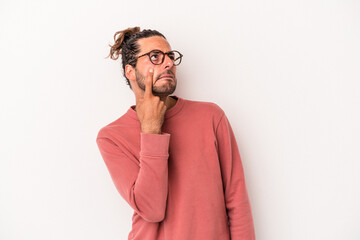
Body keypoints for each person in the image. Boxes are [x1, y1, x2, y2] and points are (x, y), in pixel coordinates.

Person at [96, 26, 256, 240]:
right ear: (130, 71)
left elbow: (237, 200)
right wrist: (151, 130)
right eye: (155, 57)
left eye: (170, 56)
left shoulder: (210, 116)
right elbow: (152, 210)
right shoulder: (112, 137)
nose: (169, 63)